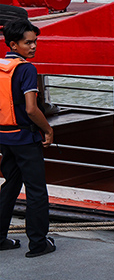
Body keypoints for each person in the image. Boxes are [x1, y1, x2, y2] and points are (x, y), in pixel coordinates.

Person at [0, 19, 55, 257]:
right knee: (36, 191)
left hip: (4, 137)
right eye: (28, 43)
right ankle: (38, 243)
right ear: (14, 44)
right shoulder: (27, 69)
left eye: (35, 42)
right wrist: (48, 130)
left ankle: (0, 238)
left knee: (11, 185)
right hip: (25, 138)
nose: (33, 47)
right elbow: (32, 109)